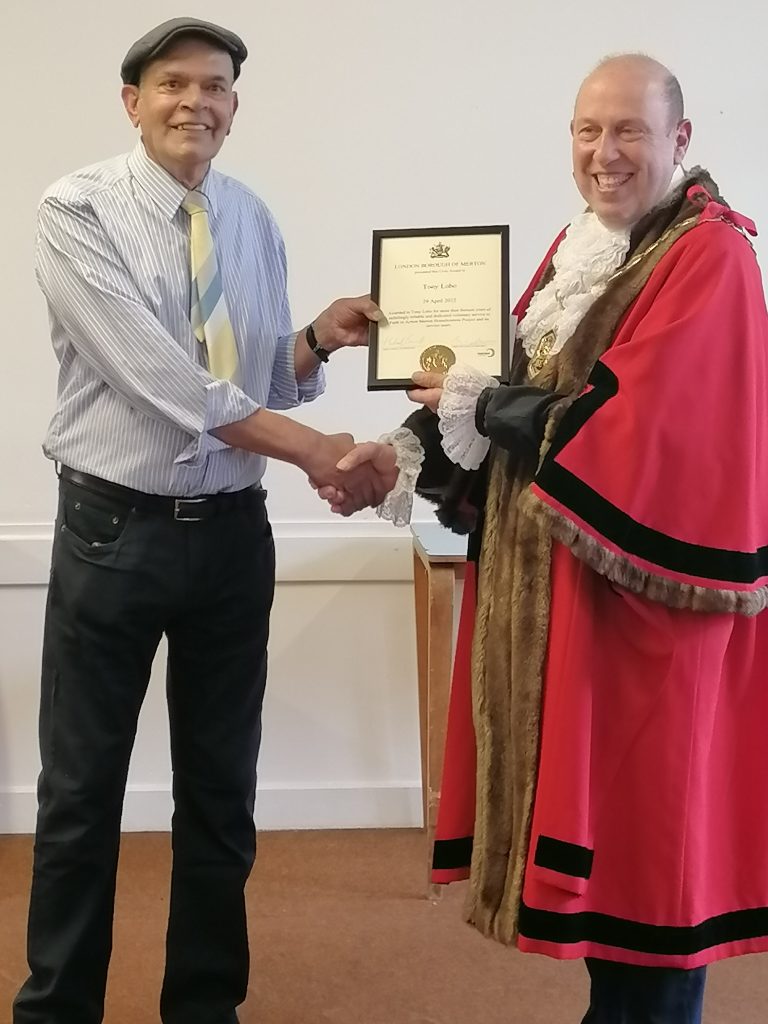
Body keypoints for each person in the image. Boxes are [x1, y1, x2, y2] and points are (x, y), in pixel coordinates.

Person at [323, 54, 768, 1023]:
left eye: (628, 132)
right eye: (586, 131)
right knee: (614, 877)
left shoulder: (713, 256)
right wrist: (401, 458)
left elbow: (642, 428)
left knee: (651, 866)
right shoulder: (580, 252)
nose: (603, 154)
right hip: (578, 612)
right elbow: (501, 402)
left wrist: (497, 404)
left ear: (680, 140)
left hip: (651, 626)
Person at [13, 17, 395, 1024]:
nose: (197, 101)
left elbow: (263, 379)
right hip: (113, 532)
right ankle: (57, 1010)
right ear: (132, 102)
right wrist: (317, 453)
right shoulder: (75, 209)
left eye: (216, 85)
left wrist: (319, 334)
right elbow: (160, 382)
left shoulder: (251, 217)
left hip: (232, 534)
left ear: (235, 103)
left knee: (222, 793)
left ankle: (204, 1006)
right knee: (80, 797)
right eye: (173, 83)